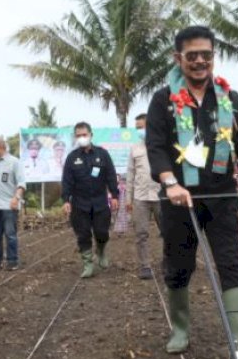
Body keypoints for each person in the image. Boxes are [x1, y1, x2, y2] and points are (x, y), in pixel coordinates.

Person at [146, 26, 238, 355]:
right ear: (178, 58)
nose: (200, 61)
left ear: (213, 57)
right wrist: (170, 183)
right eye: (192, 55)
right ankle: (181, 328)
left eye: (206, 55)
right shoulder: (163, 100)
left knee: (230, 263)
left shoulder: (229, 97)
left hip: (222, 196)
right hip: (179, 198)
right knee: (179, 263)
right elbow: (155, 147)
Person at [61, 122, 119, 278]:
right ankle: (88, 264)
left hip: (100, 202)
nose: (82, 138)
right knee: (83, 234)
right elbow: (66, 181)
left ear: (91, 135)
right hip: (80, 204)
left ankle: (101, 251)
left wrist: (114, 195)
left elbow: (111, 176)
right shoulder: (72, 158)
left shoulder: (102, 154)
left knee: (102, 231)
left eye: (84, 134)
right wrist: (66, 200)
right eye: (78, 135)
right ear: (75, 137)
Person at [126, 113, 162, 280]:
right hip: (140, 197)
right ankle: (145, 266)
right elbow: (130, 174)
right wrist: (128, 199)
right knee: (141, 234)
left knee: (168, 232)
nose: (141, 130)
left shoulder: (164, 145)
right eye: (138, 128)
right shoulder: (135, 148)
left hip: (162, 197)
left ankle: (170, 262)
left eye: (143, 127)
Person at [0, 136, 26, 271]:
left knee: (10, 234)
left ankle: (12, 261)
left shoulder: (14, 162)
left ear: (0, 146)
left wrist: (16, 198)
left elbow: (21, 183)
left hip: (9, 205)